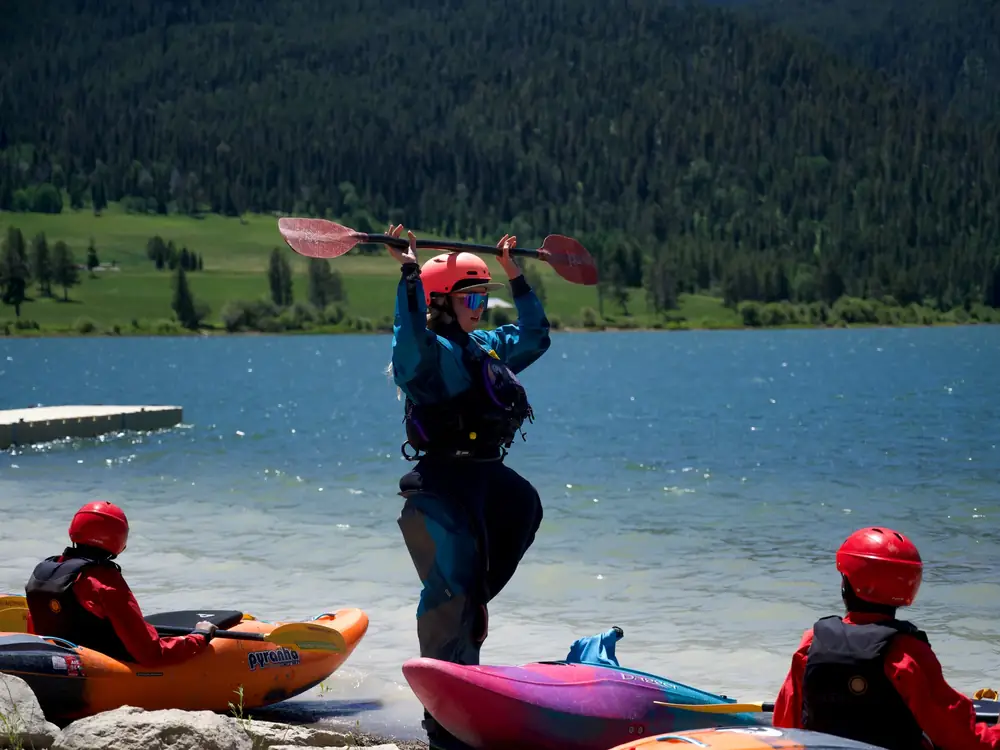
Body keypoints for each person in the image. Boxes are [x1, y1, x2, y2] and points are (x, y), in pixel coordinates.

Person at [386, 224, 550, 749]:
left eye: (483, 296)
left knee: (524, 506)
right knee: (448, 601)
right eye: (470, 297)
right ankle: (442, 721)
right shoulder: (427, 356)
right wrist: (409, 273)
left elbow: (535, 335)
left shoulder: (483, 345)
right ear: (438, 303)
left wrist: (514, 274)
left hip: (484, 478)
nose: (481, 306)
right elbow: (407, 340)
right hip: (441, 486)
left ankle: (473, 609)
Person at [773, 526, 1000, 750]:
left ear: (846, 587)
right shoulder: (907, 652)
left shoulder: (812, 642)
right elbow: (959, 735)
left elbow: (786, 723)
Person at [24, 501, 218, 667]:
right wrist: (198, 637)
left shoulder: (45, 570)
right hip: (102, 666)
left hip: (55, 661)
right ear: (119, 540)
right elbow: (151, 654)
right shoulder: (103, 580)